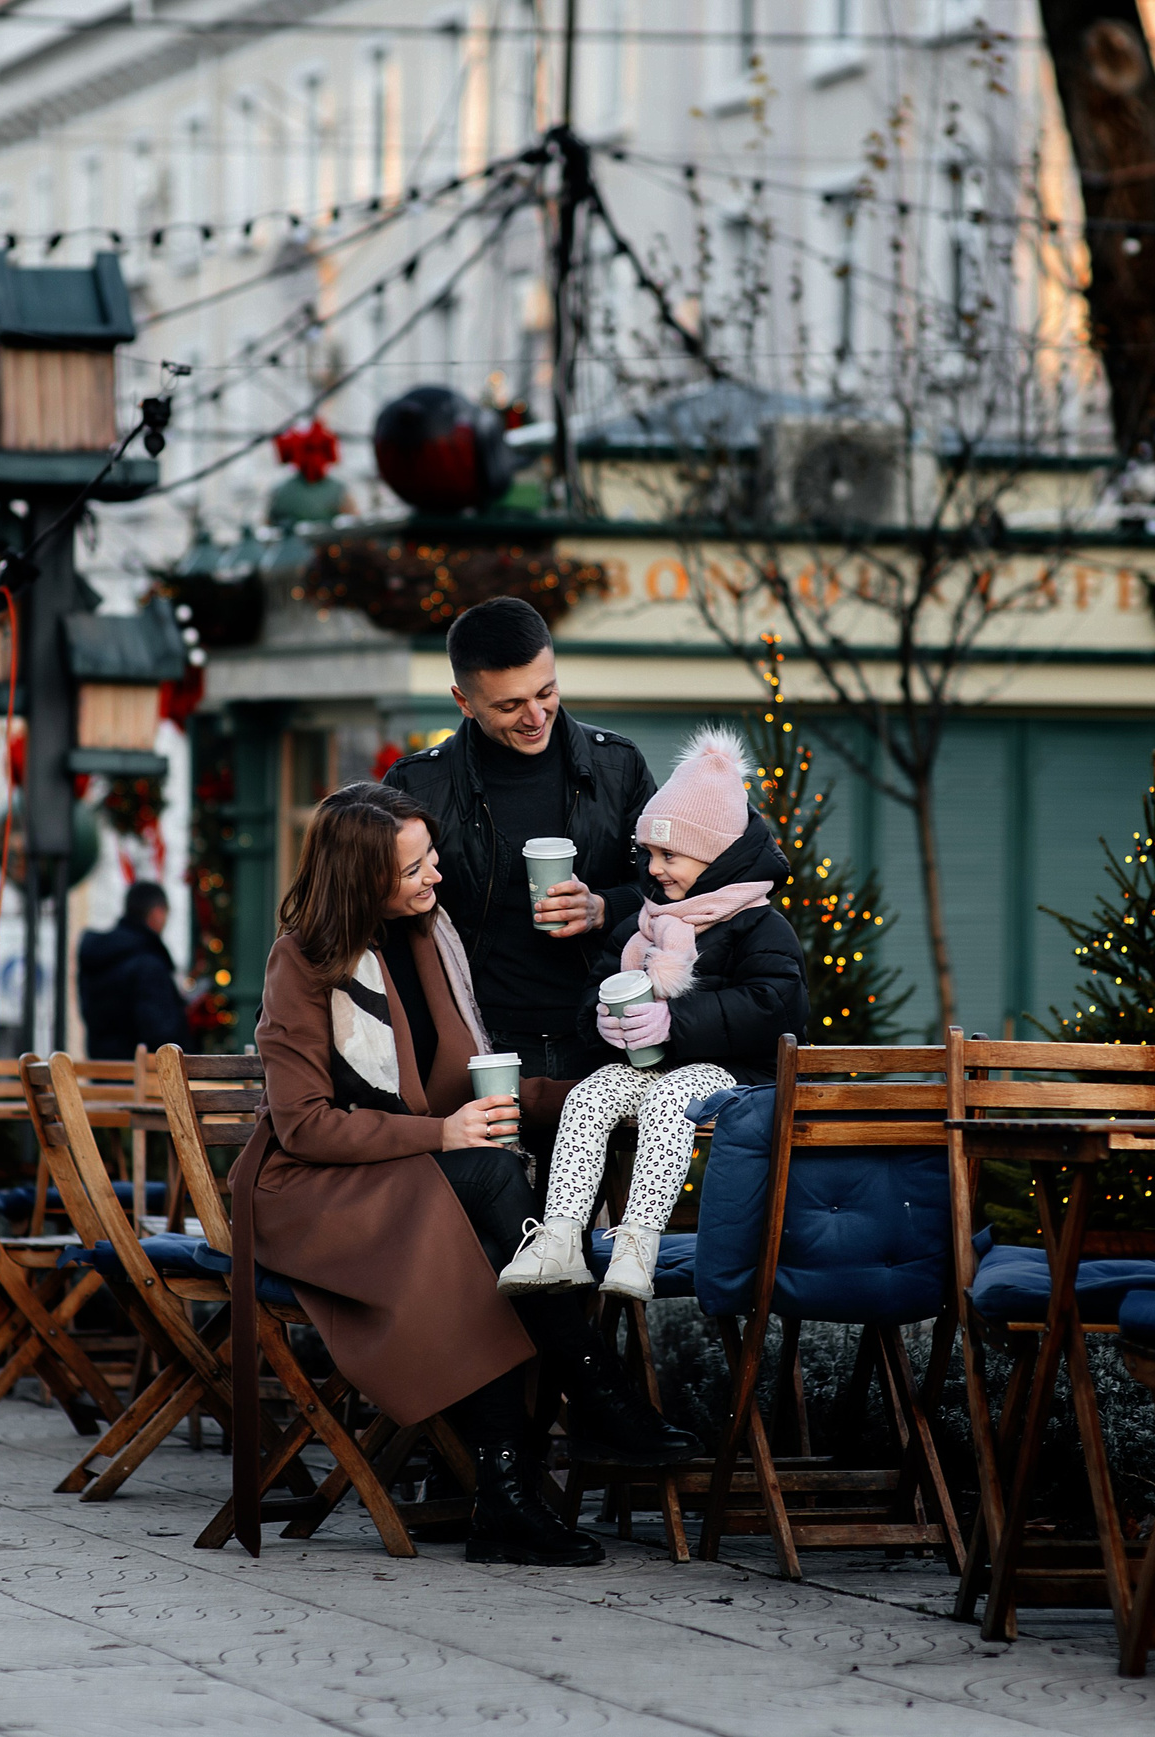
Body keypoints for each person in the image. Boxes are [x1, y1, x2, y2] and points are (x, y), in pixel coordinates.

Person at [228, 782, 698, 1567]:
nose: (435, 876)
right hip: (313, 1192)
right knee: (488, 1186)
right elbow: (304, 1124)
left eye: (431, 858)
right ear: (362, 879)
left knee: (489, 1237)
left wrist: (598, 1093)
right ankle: (596, 1396)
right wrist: (441, 1133)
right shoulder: (302, 960)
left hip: (406, 1175)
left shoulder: (427, 938)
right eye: (414, 868)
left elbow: (470, 1084)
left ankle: (508, 1492)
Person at [498, 726, 809, 1301]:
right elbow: (597, 989)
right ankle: (561, 1238)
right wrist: (603, 1021)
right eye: (651, 854)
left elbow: (774, 1004)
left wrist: (675, 1021)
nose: (656, 868)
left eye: (672, 855)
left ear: (717, 857)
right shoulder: (642, 924)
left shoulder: (760, 925)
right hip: (656, 1066)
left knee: (672, 1100)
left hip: (741, 1074)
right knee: (590, 1096)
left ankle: (637, 1244)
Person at [383, 597, 656, 1084]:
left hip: (603, 1034)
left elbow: (673, 891)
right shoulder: (416, 786)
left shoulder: (619, 765)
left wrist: (601, 908)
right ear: (463, 702)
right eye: (508, 706)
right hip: (475, 1042)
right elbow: (379, 915)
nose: (535, 716)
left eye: (546, 692)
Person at [76, 882, 188, 1059]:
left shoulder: (98, 955)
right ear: (157, 912)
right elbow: (161, 1034)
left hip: (101, 1065)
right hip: (142, 1070)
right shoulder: (148, 963)